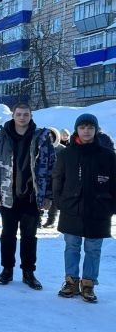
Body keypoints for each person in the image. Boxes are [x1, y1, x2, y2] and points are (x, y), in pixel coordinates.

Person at [0, 103, 55, 290]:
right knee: (7, 235)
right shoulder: (0, 138)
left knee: (29, 236)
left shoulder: (41, 138)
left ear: (31, 116)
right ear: (13, 116)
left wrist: (48, 195)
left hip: (32, 196)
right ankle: (7, 269)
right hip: (7, 195)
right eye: (19, 114)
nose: (22, 117)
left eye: (26, 114)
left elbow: (50, 167)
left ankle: (28, 272)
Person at [53, 114, 116, 303]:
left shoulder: (108, 155)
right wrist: (60, 201)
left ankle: (88, 284)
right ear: (76, 130)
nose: (86, 131)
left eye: (90, 127)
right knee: (72, 246)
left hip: (99, 209)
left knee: (93, 248)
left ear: (96, 130)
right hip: (71, 207)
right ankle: (71, 282)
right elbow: (58, 179)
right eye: (82, 127)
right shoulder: (66, 153)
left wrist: (111, 206)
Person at [42, 127, 66, 228]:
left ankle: (51, 220)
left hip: (57, 178)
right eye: (47, 136)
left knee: (54, 199)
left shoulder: (62, 149)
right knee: (39, 197)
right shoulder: (40, 148)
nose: (50, 138)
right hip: (43, 177)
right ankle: (38, 218)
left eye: (52, 136)